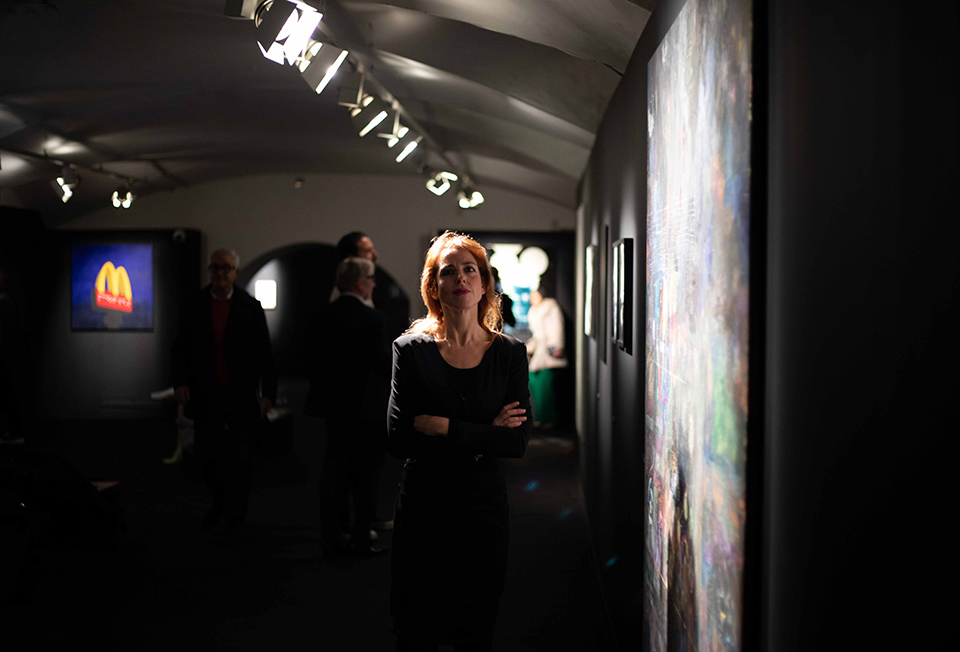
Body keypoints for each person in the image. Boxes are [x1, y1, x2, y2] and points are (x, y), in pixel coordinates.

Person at [388, 231, 531, 651]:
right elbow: (399, 438)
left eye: (470, 270)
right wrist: (487, 432)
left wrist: (443, 427)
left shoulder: (509, 354)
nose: (461, 278)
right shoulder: (410, 351)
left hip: (482, 506)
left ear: (485, 284)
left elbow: (516, 442)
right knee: (416, 623)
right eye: (448, 272)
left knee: (476, 623)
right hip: (424, 503)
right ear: (433, 287)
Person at [171, 248, 276, 548]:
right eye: (215, 267)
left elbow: (264, 352)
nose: (219, 273)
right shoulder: (194, 304)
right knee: (206, 456)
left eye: (226, 268)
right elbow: (180, 347)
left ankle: (234, 515)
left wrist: (268, 392)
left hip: (240, 393)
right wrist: (180, 382)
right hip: (206, 392)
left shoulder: (249, 306)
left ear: (235, 272)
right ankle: (222, 504)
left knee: (240, 458)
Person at [306, 256, 392, 557]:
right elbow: (382, 364)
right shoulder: (372, 318)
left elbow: (310, 362)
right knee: (366, 476)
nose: (373, 285)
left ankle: (333, 536)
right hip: (366, 408)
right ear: (359, 283)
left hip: (333, 407)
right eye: (370, 279)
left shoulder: (322, 316)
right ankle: (361, 537)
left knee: (334, 471)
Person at [525, 284, 567, 429]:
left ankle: (549, 418)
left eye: (535, 295)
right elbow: (536, 334)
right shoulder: (533, 311)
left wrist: (557, 346)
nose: (533, 299)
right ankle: (541, 417)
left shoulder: (550, 307)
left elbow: (557, 327)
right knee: (535, 384)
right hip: (538, 350)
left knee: (546, 387)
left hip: (548, 351)